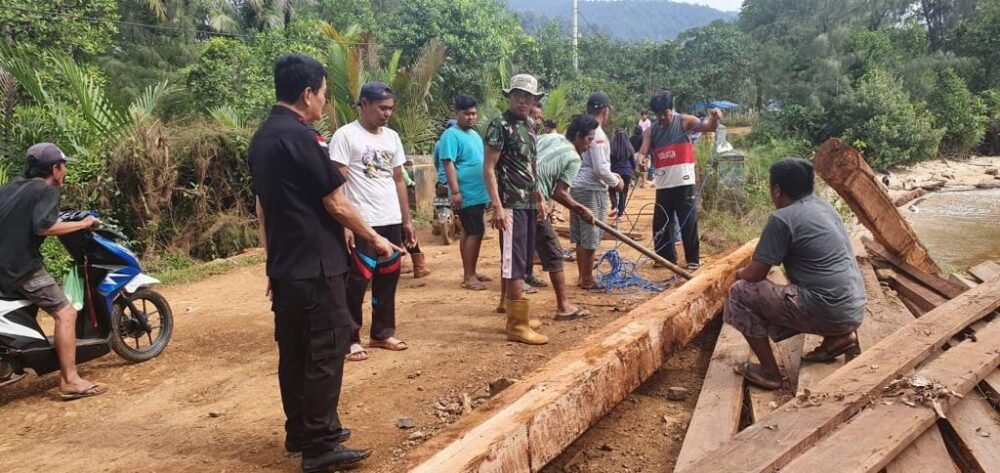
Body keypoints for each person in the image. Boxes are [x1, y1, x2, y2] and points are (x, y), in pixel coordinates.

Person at [249, 54, 394, 471]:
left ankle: (301, 430)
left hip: (286, 266)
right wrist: (375, 239)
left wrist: (271, 261)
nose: (324, 102)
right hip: (316, 265)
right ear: (307, 93)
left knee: (294, 351)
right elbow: (336, 202)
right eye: (324, 93)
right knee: (326, 351)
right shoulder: (302, 138)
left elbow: (263, 208)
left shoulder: (262, 138)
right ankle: (320, 444)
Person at [725, 158, 866, 390]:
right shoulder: (824, 207)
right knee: (804, 281)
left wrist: (737, 274)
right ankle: (839, 337)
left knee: (739, 293)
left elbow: (754, 274)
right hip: (854, 309)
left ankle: (769, 373)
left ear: (777, 190)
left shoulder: (782, 219)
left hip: (827, 310)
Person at [0, 143, 105, 401]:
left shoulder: (12, 188)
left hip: (4, 266)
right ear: (55, 169)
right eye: (64, 166)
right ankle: (70, 380)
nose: (65, 171)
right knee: (65, 313)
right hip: (21, 268)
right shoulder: (46, 191)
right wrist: (83, 223)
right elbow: (43, 226)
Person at [329, 81, 414, 361]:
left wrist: (406, 219)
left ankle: (382, 333)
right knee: (356, 281)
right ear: (364, 104)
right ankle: (350, 338)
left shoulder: (392, 138)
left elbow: (398, 179)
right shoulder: (345, 136)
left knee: (388, 278)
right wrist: (345, 224)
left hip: (390, 219)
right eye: (382, 108)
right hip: (361, 222)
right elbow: (337, 183)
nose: (387, 113)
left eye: (390, 108)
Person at [484, 73, 549, 345]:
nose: (523, 101)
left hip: (528, 202)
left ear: (534, 100)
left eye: (528, 97)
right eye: (518, 95)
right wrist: (497, 206)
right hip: (510, 203)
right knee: (513, 262)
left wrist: (540, 196)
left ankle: (517, 312)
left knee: (523, 261)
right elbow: (489, 168)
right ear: (510, 96)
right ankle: (516, 325)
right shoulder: (500, 125)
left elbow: (531, 165)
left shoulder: (530, 125)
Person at [636, 90, 721, 271]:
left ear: (671, 109)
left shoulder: (685, 121)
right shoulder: (651, 130)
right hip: (663, 185)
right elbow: (643, 151)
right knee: (661, 222)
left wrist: (715, 118)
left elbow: (708, 127)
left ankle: (693, 259)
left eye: (665, 114)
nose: (661, 118)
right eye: (658, 115)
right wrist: (641, 160)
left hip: (684, 183)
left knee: (687, 222)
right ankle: (665, 258)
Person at [532, 114, 604, 319]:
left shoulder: (550, 137)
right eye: (589, 139)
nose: (590, 145)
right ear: (579, 136)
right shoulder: (573, 158)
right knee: (554, 253)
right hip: (533, 204)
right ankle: (564, 307)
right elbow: (560, 193)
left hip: (514, 195)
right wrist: (581, 209)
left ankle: (505, 302)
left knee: (515, 252)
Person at [570, 92, 623, 290]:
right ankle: (587, 278)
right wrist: (616, 182)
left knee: (580, 236)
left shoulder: (582, 129)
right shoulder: (597, 133)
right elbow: (600, 168)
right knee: (591, 235)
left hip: (576, 187)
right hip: (591, 189)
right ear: (605, 111)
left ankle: (582, 275)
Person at [438, 95, 491, 290]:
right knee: (476, 232)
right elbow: (448, 163)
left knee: (469, 231)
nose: (471, 117)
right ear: (457, 113)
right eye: (467, 113)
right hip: (466, 193)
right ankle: (469, 277)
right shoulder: (451, 135)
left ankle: (471, 271)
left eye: (474, 113)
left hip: (478, 192)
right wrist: (455, 191)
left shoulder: (474, 134)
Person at [608, 127, 636, 220]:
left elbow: (609, 161)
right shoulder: (629, 147)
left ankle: (614, 206)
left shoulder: (612, 147)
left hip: (615, 172)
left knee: (612, 189)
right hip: (627, 173)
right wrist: (633, 170)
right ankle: (620, 214)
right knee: (623, 192)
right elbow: (633, 162)